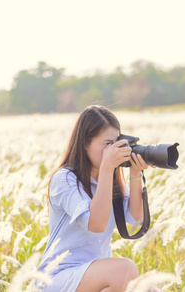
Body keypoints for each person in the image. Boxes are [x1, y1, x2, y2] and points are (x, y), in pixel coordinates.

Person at [36, 105, 153, 292]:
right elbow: (96, 224)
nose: (113, 150)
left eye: (117, 143)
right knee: (125, 270)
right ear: (85, 143)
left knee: (147, 289)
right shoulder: (65, 179)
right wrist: (107, 168)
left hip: (93, 276)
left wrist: (135, 172)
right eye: (107, 144)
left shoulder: (110, 181)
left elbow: (136, 218)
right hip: (58, 277)